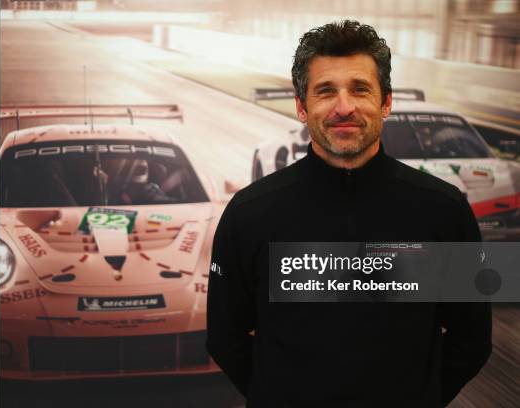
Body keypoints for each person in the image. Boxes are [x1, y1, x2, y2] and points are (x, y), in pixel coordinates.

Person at [206, 20, 491, 407]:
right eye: (325, 92)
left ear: (385, 102)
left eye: (360, 89)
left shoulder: (444, 209)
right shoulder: (249, 213)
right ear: (302, 107)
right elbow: (225, 338)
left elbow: (472, 340)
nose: (344, 107)